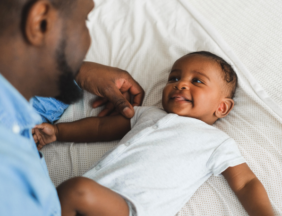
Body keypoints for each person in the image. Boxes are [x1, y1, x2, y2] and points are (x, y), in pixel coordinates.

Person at [33, 52, 274, 216]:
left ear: (221, 107)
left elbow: (245, 182)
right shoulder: (147, 115)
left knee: (74, 190)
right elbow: (100, 128)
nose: (180, 84)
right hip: (99, 202)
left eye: (197, 81)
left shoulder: (217, 142)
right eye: (175, 78)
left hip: (134, 208)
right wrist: (57, 131)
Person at [0, 0, 144, 215]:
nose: (88, 41)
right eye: (84, 21)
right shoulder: (0, 182)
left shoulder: (0, 110)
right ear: (41, 22)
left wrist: (74, 74)